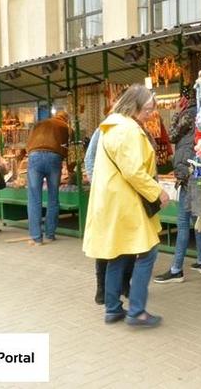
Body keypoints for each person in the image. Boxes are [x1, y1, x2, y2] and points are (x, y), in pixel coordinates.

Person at [83, 85, 169, 327]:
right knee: (147, 251)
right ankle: (137, 311)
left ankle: (112, 309)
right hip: (126, 200)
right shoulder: (127, 130)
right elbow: (133, 170)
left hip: (111, 199)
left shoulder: (111, 125)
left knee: (118, 253)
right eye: (149, 109)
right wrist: (157, 192)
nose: (151, 114)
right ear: (135, 105)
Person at [154, 92, 201, 283]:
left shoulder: (188, 113)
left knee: (183, 221)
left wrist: (177, 113)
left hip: (187, 170)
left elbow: (171, 135)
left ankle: (176, 269)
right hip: (199, 168)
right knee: (198, 217)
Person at [84, 105, 133, 305]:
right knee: (105, 243)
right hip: (107, 196)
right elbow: (89, 158)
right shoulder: (103, 129)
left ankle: (124, 284)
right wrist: (100, 183)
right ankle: (102, 288)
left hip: (127, 197)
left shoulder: (134, 130)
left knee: (129, 241)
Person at [25, 110, 70, 246]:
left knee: (34, 199)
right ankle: (50, 235)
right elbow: (70, 149)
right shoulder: (65, 127)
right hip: (54, 157)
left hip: (34, 156)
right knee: (53, 197)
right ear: (66, 119)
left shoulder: (41, 123)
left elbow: (29, 142)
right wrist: (71, 169)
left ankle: (36, 238)